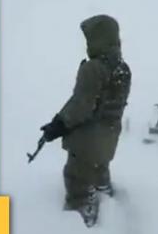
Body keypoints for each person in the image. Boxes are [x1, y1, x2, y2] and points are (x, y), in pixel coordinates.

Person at [40, 14, 131, 227]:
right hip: (109, 136)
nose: (88, 43)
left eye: (90, 38)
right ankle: (104, 193)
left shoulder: (93, 68)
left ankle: (81, 212)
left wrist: (59, 124)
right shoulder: (123, 68)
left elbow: (82, 104)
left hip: (87, 139)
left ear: (99, 38)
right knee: (100, 168)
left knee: (76, 176)